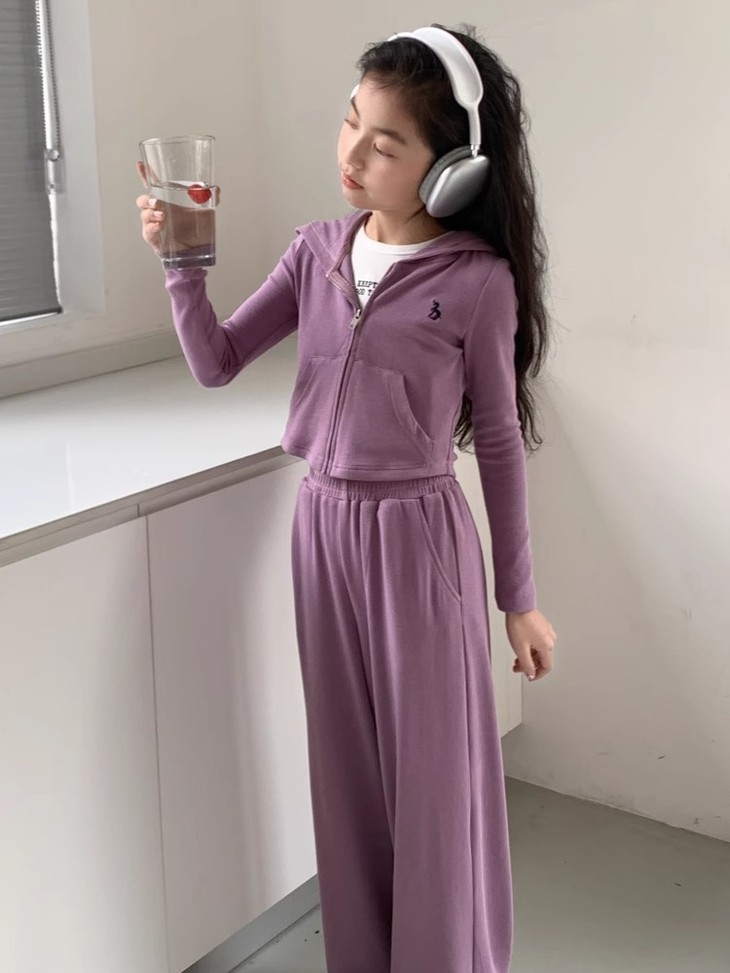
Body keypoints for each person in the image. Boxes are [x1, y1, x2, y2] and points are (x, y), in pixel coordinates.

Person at [136, 22, 557, 973]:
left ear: (448, 170)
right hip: (320, 527)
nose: (353, 155)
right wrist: (181, 266)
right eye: (349, 123)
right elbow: (216, 362)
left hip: (420, 538)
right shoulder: (317, 250)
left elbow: (498, 440)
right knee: (347, 774)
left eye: (385, 143)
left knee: (433, 781)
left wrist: (519, 598)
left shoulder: (479, 283)